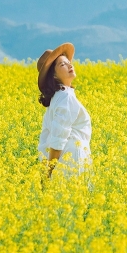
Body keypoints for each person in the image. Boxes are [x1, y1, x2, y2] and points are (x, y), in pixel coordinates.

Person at [36, 43, 92, 179]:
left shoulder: (59, 96)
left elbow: (47, 139)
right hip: (72, 159)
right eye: (62, 65)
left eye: (68, 62)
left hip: (66, 159)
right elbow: (57, 138)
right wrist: (48, 172)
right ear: (53, 76)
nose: (70, 65)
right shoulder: (65, 97)